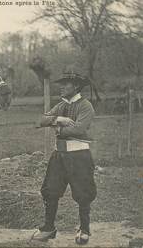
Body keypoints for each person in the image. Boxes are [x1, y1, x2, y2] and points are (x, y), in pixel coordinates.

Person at [32, 72, 97, 245]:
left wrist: (57, 129)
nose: (61, 87)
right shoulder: (60, 106)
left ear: (75, 86)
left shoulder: (86, 106)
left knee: (83, 193)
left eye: (65, 84)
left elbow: (78, 129)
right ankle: (48, 228)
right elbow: (39, 120)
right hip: (58, 156)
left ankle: (84, 229)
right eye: (61, 84)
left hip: (79, 157)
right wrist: (58, 119)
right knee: (50, 191)